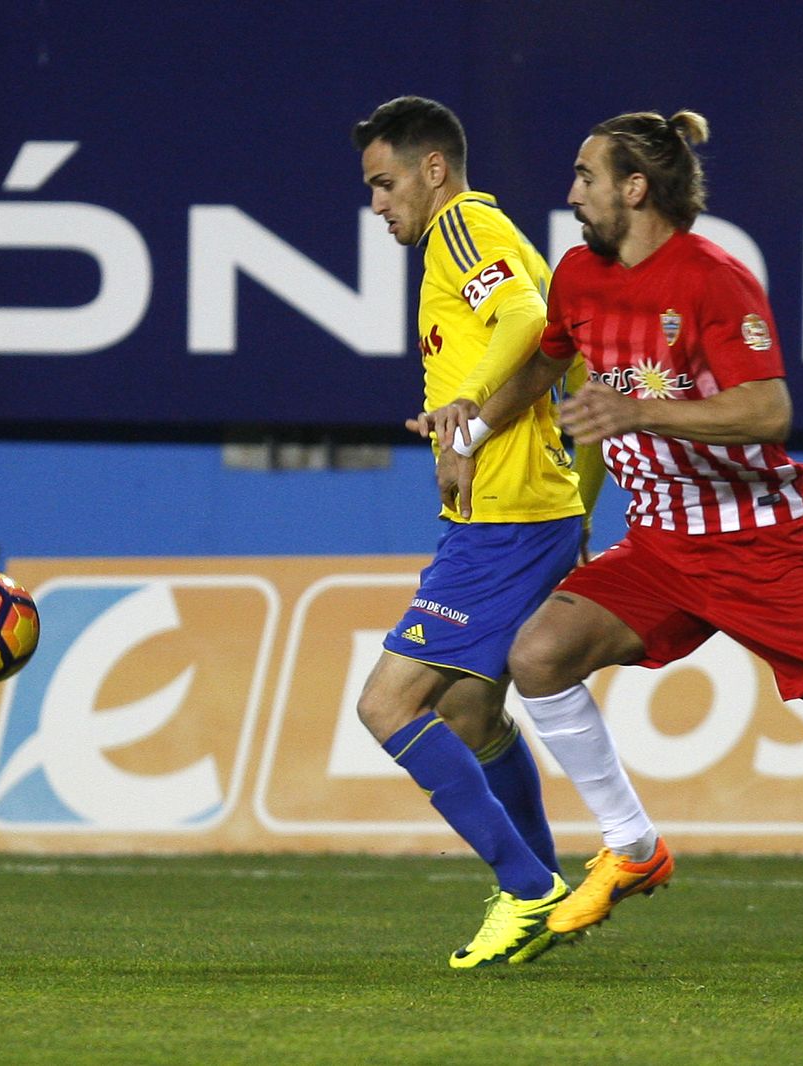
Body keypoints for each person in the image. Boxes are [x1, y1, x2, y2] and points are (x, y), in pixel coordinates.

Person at [422, 109, 803, 982]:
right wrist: (473, 431)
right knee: (540, 654)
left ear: (636, 189)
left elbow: (768, 410)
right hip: (661, 547)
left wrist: (638, 409)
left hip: (763, 548)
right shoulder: (579, 277)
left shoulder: (714, 281)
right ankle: (631, 848)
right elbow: (543, 362)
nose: (572, 193)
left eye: (587, 177)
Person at [349, 96, 604, 969]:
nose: (378, 204)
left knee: (387, 706)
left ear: (432, 168)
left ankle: (527, 890)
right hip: (515, 510)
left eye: (384, 184)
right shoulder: (474, 243)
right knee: (469, 709)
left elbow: (533, 327)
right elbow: (554, 354)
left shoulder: (462, 230)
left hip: (507, 517)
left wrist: (467, 423)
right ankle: (543, 886)